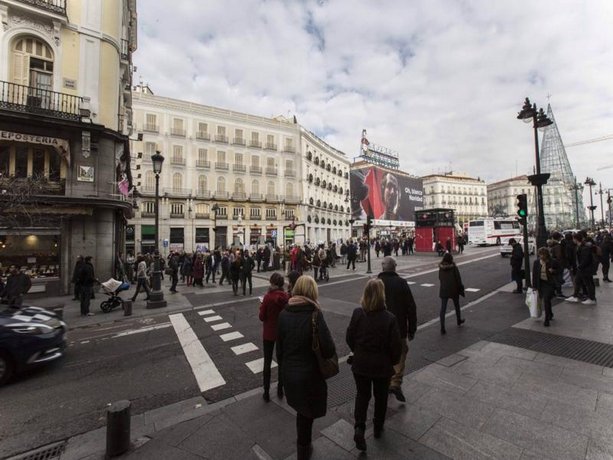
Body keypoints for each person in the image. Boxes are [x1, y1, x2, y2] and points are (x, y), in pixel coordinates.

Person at [276, 276, 336, 459]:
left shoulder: (284, 314)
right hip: (309, 375)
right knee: (306, 414)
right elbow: (328, 349)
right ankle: (303, 450)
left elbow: (279, 350)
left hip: (289, 373)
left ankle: (304, 447)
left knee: (301, 411)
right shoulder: (315, 314)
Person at [346, 278, 402, 450]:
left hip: (361, 364)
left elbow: (349, 337)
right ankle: (378, 427)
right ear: (382, 295)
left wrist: (357, 349)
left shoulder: (358, 313)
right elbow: (396, 347)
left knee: (362, 396)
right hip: (381, 366)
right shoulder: (390, 318)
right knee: (381, 397)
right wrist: (392, 362)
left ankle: (359, 428)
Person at [377, 256, 417, 403]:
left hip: (379, 328)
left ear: (382, 267)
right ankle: (395, 382)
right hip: (398, 327)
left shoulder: (376, 283)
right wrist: (412, 328)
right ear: (395, 267)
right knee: (401, 352)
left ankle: (385, 381)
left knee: (383, 353)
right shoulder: (401, 283)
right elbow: (411, 307)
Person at [259, 272, 289, 402]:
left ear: (272, 283)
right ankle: (280, 389)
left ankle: (266, 392)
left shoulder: (267, 297)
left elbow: (262, 317)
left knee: (267, 362)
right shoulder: (286, 297)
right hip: (282, 333)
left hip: (269, 333)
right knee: (282, 361)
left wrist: (261, 307)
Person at [532, 247, 560, 327]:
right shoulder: (536, 262)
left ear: (547, 255)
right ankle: (550, 313)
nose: (542, 257)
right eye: (540, 255)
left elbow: (560, 270)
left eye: (543, 255)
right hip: (541, 283)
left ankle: (547, 319)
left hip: (549, 283)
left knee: (547, 299)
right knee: (546, 301)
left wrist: (554, 271)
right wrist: (534, 286)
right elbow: (534, 274)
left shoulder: (552, 262)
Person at [438, 252, 466, 334]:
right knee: (457, 306)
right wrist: (461, 288)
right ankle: (458, 320)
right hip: (454, 289)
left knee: (443, 309)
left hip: (443, 289)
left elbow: (440, 278)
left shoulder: (441, 268)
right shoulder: (454, 267)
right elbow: (458, 279)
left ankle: (442, 327)